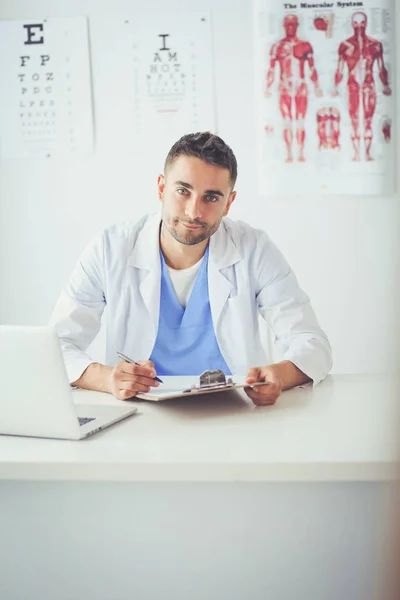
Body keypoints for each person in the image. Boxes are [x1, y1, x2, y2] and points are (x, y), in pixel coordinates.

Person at [50, 132, 332, 406]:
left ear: (229, 203)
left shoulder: (253, 249)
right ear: (161, 188)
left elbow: (312, 342)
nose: (193, 212)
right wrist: (108, 379)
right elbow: (55, 347)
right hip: (138, 413)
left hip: (233, 413)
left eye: (211, 197)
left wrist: (279, 376)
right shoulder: (109, 249)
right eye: (183, 191)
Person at [332, 11, 392, 162]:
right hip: (352, 85)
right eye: (356, 23)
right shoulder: (345, 45)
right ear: (352, 24)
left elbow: (381, 67)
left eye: (362, 22)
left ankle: (367, 152)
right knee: (353, 119)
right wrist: (335, 87)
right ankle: (356, 153)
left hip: (368, 85)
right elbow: (339, 69)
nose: (359, 26)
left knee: (367, 120)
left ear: (366, 23)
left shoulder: (375, 45)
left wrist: (385, 85)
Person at [265, 14, 323, 163]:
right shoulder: (277, 46)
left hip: (300, 87)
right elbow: (271, 70)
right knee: (287, 121)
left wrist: (316, 86)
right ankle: (290, 153)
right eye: (287, 24)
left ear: (297, 25)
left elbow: (311, 68)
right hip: (284, 87)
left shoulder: (305, 45)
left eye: (293, 24)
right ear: (284, 26)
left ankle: (301, 153)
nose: (290, 27)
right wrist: (268, 87)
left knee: (300, 121)